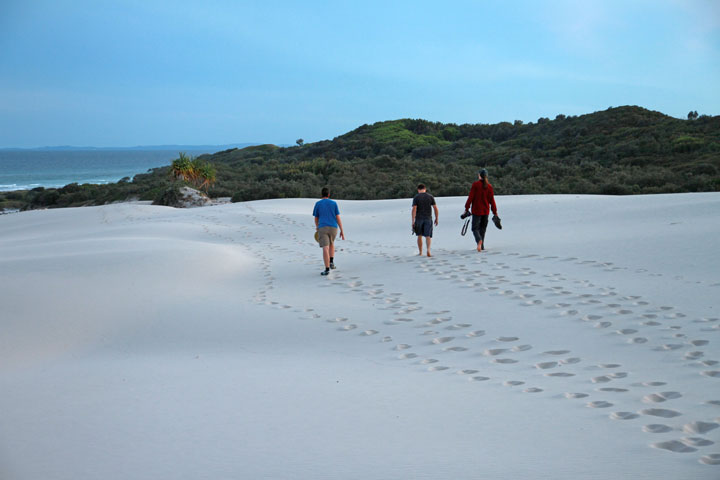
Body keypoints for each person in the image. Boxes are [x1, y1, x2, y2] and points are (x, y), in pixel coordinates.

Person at [313, 187, 345, 276]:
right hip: (333, 227)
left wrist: (317, 227)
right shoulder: (334, 203)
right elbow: (338, 217)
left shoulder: (318, 204)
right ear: (329, 195)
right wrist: (342, 230)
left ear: (321, 194)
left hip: (323, 227)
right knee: (331, 244)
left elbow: (316, 218)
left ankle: (327, 269)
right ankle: (331, 262)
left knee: (325, 248)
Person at [464, 169, 498, 252]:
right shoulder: (489, 186)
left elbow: (470, 197)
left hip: (476, 211)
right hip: (486, 211)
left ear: (480, 176)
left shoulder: (475, 185)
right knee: (483, 229)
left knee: (475, 228)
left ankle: (479, 240)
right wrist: (495, 212)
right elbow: (492, 201)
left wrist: (466, 208)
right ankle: (482, 246)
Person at [411, 184, 439, 257]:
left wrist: (413, 221)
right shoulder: (430, 196)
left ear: (418, 190)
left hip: (419, 218)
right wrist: (437, 218)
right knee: (428, 236)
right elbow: (435, 208)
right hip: (428, 218)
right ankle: (428, 251)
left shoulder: (416, 197)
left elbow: (414, 209)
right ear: (425, 189)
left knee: (419, 235)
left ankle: (420, 252)